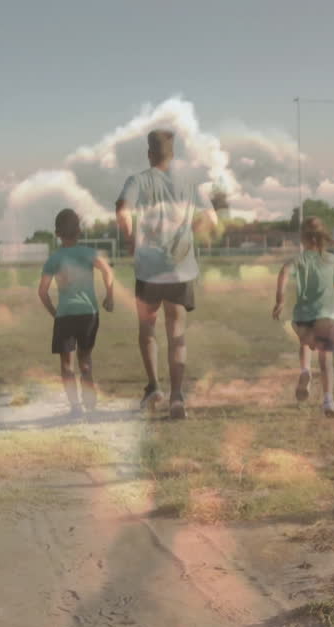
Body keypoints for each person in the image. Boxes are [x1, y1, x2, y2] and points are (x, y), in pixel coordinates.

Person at [115, 129, 216, 419]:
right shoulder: (189, 183)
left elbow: (123, 213)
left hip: (148, 270)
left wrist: (131, 238)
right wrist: (189, 235)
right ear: (173, 156)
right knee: (176, 332)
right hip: (180, 271)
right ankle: (176, 397)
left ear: (149, 154)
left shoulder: (137, 180)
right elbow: (211, 217)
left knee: (147, 331)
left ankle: (154, 386)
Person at [37, 209, 116, 417]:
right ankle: (89, 398)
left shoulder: (54, 258)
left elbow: (42, 292)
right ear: (79, 231)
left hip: (65, 315)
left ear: (57, 233)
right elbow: (108, 271)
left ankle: (75, 406)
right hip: (89, 313)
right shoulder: (89, 253)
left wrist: (54, 312)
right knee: (86, 359)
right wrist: (110, 295)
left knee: (66, 364)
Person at [273, 217, 334, 418]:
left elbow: (284, 272)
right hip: (327, 314)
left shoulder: (299, 260)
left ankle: (305, 371)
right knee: (326, 358)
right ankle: (328, 400)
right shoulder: (331, 259)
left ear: (302, 238)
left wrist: (280, 301)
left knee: (305, 344)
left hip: (302, 317)